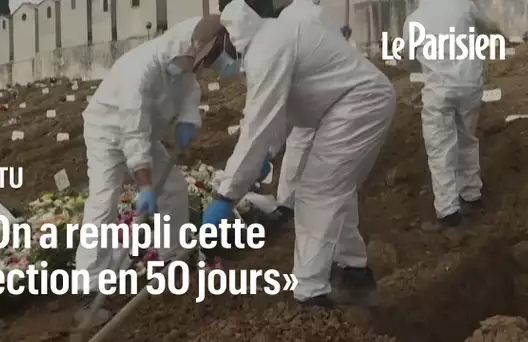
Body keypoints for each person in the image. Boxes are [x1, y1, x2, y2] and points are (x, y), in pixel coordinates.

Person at [186, 0, 396, 308]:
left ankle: (311, 293)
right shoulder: (265, 44)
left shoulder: (267, 48)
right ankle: (353, 270)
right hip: (340, 107)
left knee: (317, 190)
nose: (217, 66)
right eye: (209, 63)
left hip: (360, 103)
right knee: (334, 189)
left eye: (214, 56)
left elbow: (257, 126)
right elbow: (276, 115)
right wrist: (265, 156)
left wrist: (224, 197)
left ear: (228, 37)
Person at [75, 16, 204, 326]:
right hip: (107, 131)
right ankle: (87, 286)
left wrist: (188, 118)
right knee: (103, 201)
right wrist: (145, 185)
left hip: (142, 132)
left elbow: (188, 90)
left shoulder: (183, 62)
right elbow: (131, 133)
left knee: (172, 187)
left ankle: (173, 257)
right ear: (176, 52)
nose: (192, 68)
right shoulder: (140, 71)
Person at [402, 0, 498, 230]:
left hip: (439, 90)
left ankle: (448, 211)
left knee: (440, 147)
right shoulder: (463, 5)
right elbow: (486, 28)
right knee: (467, 139)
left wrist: (425, 65)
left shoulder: (414, 20)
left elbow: (409, 58)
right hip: (469, 84)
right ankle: (472, 194)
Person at [275, 0, 357, 222]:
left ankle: (286, 201)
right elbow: (332, 45)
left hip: (295, 82)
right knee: (316, 142)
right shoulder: (317, 13)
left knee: (297, 143)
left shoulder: (285, 15)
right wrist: (342, 35)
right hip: (318, 83)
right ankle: (314, 200)